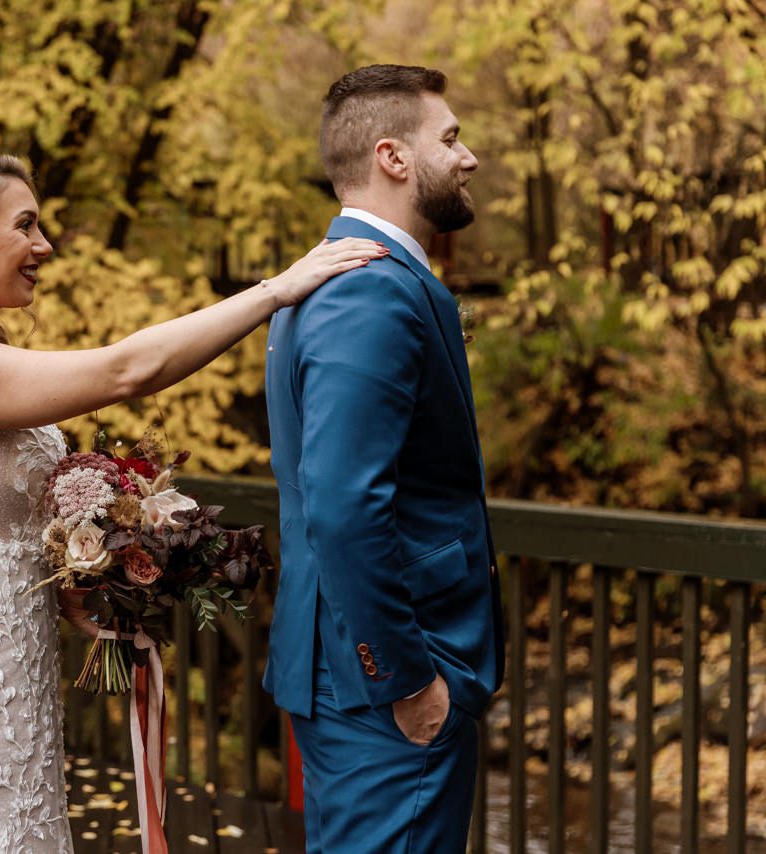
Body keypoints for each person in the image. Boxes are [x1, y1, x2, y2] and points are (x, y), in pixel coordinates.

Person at [0, 150, 386, 853]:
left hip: (7, 664)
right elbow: (129, 370)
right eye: (26, 226)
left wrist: (78, 569)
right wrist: (276, 292)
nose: (45, 246)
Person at [262, 65, 506, 852]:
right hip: (380, 687)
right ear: (394, 157)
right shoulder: (367, 290)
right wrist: (405, 678)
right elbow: (339, 504)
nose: (467, 158)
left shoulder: (351, 273)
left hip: (349, 674)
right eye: (451, 138)